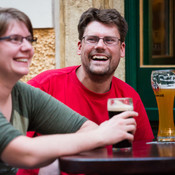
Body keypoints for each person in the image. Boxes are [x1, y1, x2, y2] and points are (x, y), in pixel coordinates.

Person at [0, 7, 138, 175]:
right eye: (15, 39)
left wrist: (97, 136)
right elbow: (24, 153)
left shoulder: (23, 94)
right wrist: (102, 135)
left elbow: (88, 129)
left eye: (29, 39)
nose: (28, 48)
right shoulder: (45, 83)